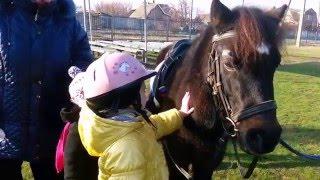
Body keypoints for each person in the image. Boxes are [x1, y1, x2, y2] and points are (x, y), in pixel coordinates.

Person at [0, 0, 92, 179]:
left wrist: (76, 96)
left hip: (51, 129)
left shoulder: (68, 23)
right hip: (5, 130)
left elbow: (84, 66)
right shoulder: (4, 16)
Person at [73, 52, 194, 179]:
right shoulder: (127, 150)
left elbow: (156, 125)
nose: (146, 91)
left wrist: (180, 114)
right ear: (128, 98)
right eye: (142, 89)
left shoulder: (129, 124)